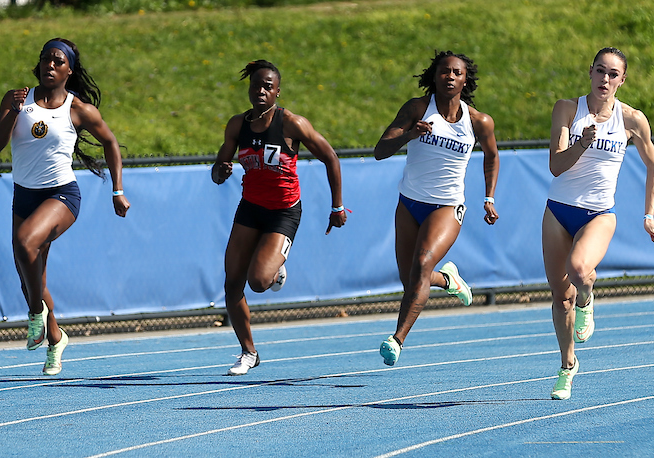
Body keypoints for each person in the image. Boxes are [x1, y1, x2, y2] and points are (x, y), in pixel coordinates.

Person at [0, 38, 130, 376]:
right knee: (31, 279)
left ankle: (35, 314)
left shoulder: (78, 109)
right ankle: (55, 338)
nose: (50, 65)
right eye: (45, 60)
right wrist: (13, 112)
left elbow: (110, 142)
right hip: (24, 196)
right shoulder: (17, 99)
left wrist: (117, 189)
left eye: (57, 61)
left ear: (69, 70)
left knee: (25, 242)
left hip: (61, 196)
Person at [212, 59, 347, 376]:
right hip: (250, 208)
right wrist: (222, 170)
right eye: (255, 85)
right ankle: (248, 352)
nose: (260, 90)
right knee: (232, 284)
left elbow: (330, 157)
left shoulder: (292, 124)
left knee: (258, 282)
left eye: (267, 86)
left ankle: (275, 267)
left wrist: (337, 206)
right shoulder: (237, 125)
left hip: (283, 212)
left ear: (277, 92)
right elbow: (218, 173)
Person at [543, 46, 654, 400]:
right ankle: (568, 366)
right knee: (559, 298)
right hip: (558, 210)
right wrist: (581, 144)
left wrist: (648, 215)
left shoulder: (631, 120)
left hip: (599, 214)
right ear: (590, 73)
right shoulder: (567, 109)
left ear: (622, 80)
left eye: (613, 74)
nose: (605, 79)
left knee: (579, 270)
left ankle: (588, 297)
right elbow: (556, 166)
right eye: (600, 71)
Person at [373, 50, 499, 366]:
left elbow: (492, 157)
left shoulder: (479, 121)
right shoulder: (417, 108)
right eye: (444, 71)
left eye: (457, 72)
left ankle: (397, 339)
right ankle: (448, 280)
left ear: (465, 79)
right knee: (413, 279)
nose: (450, 77)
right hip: (409, 204)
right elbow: (380, 150)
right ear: (435, 75)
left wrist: (489, 197)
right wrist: (409, 133)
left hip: (446, 206)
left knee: (421, 263)